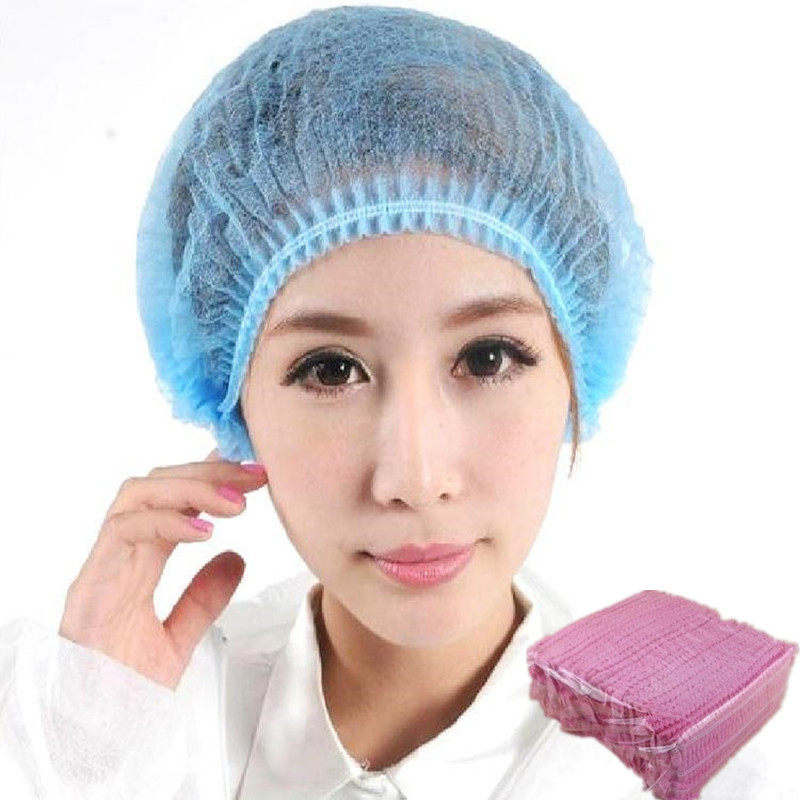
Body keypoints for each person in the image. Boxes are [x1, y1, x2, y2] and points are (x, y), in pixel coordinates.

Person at [0, 6, 790, 799]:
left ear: (575, 370)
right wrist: (87, 760)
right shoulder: (120, 736)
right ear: (234, 402)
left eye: (487, 357)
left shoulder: (718, 783)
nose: (415, 477)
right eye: (331, 370)